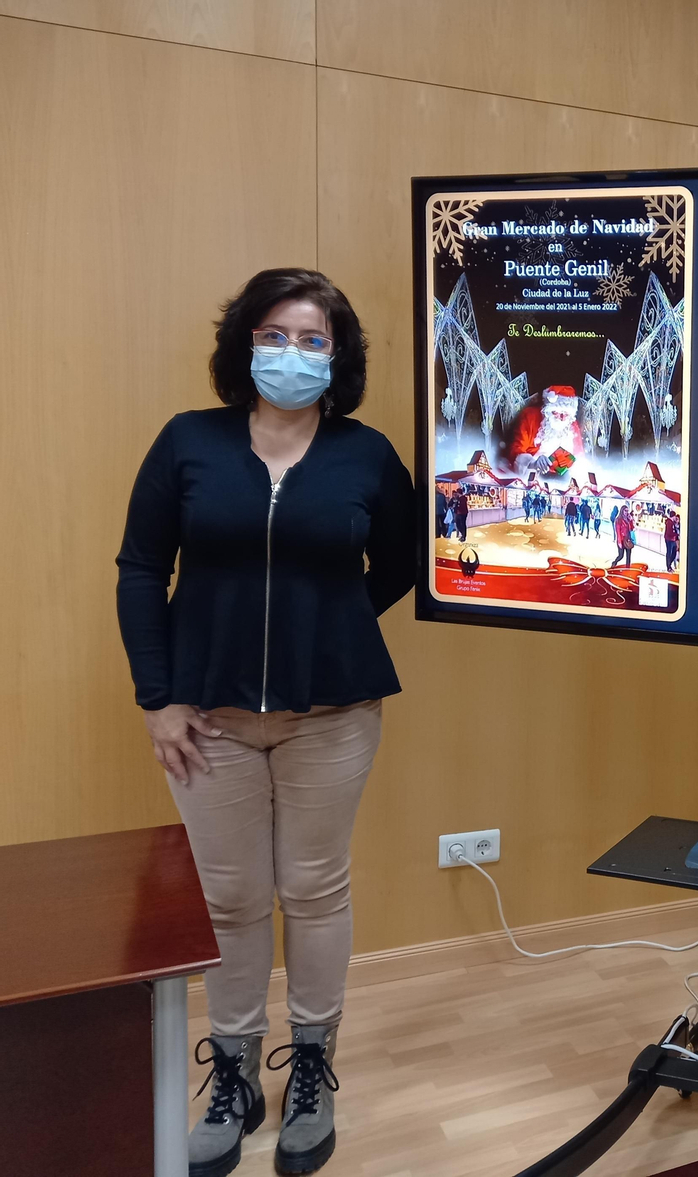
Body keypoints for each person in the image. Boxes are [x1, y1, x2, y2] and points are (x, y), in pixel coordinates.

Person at [117, 268, 415, 1177]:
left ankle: (314, 1066)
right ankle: (236, 1071)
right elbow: (140, 569)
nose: (293, 353)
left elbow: (401, 563)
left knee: (316, 889)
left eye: (314, 338)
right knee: (231, 900)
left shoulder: (365, 454)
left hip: (332, 717)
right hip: (207, 719)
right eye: (276, 334)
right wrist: (159, 696)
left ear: (339, 355)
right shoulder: (188, 443)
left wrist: (325, 630)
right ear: (245, 344)